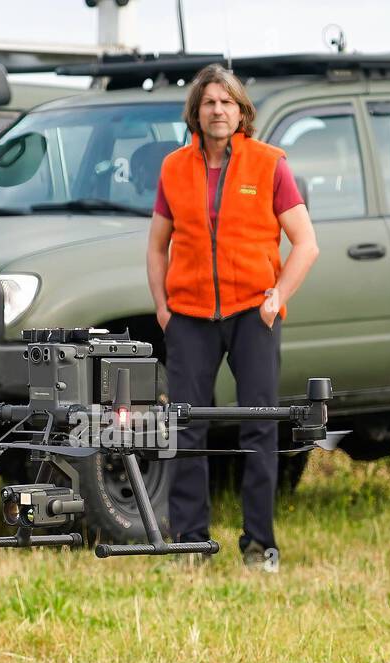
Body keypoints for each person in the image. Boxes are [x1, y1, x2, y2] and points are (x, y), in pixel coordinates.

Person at [146, 64, 319, 568]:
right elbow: (157, 247)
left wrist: (274, 299)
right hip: (190, 316)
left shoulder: (270, 165)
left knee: (258, 428)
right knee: (185, 427)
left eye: (226, 102)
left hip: (252, 315)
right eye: (208, 103)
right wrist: (163, 308)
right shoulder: (173, 169)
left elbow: (306, 245)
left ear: (241, 112)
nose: (217, 110)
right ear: (195, 114)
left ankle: (259, 545)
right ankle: (190, 543)